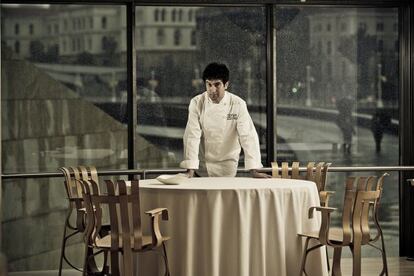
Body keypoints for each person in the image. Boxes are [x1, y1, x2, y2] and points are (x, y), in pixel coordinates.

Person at [180, 62, 270, 178]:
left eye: (217, 84)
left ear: (226, 85)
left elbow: (248, 136)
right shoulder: (197, 103)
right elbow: (192, 136)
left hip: (227, 168)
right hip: (202, 168)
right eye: (209, 84)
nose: (212, 90)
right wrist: (190, 169)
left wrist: (254, 169)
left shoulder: (238, 104)